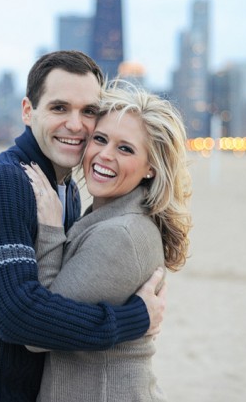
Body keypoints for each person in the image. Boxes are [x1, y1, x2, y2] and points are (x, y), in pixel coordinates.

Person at [0, 51, 167, 402]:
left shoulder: (65, 190)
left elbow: (60, 289)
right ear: (28, 111)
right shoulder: (2, 183)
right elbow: (18, 316)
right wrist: (135, 319)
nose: (76, 124)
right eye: (59, 108)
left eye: (88, 111)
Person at [22, 79, 192, 401]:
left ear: (151, 168)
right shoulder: (111, 215)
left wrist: (49, 232)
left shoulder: (122, 235)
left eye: (125, 148)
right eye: (100, 139)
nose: (104, 155)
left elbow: (40, 331)